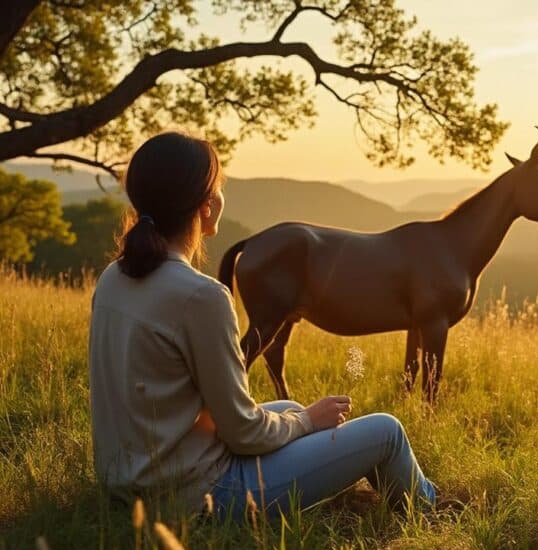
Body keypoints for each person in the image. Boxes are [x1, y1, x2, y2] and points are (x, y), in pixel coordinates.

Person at [88, 131, 436, 517]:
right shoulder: (202, 297)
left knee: (286, 405)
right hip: (200, 495)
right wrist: (306, 421)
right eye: (219, 186)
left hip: (128, 484)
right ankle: (431, 510)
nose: (222, 195)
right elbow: (244, 433)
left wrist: (296, 417)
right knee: (386, 431)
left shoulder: (112, 279)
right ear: (206, 206)